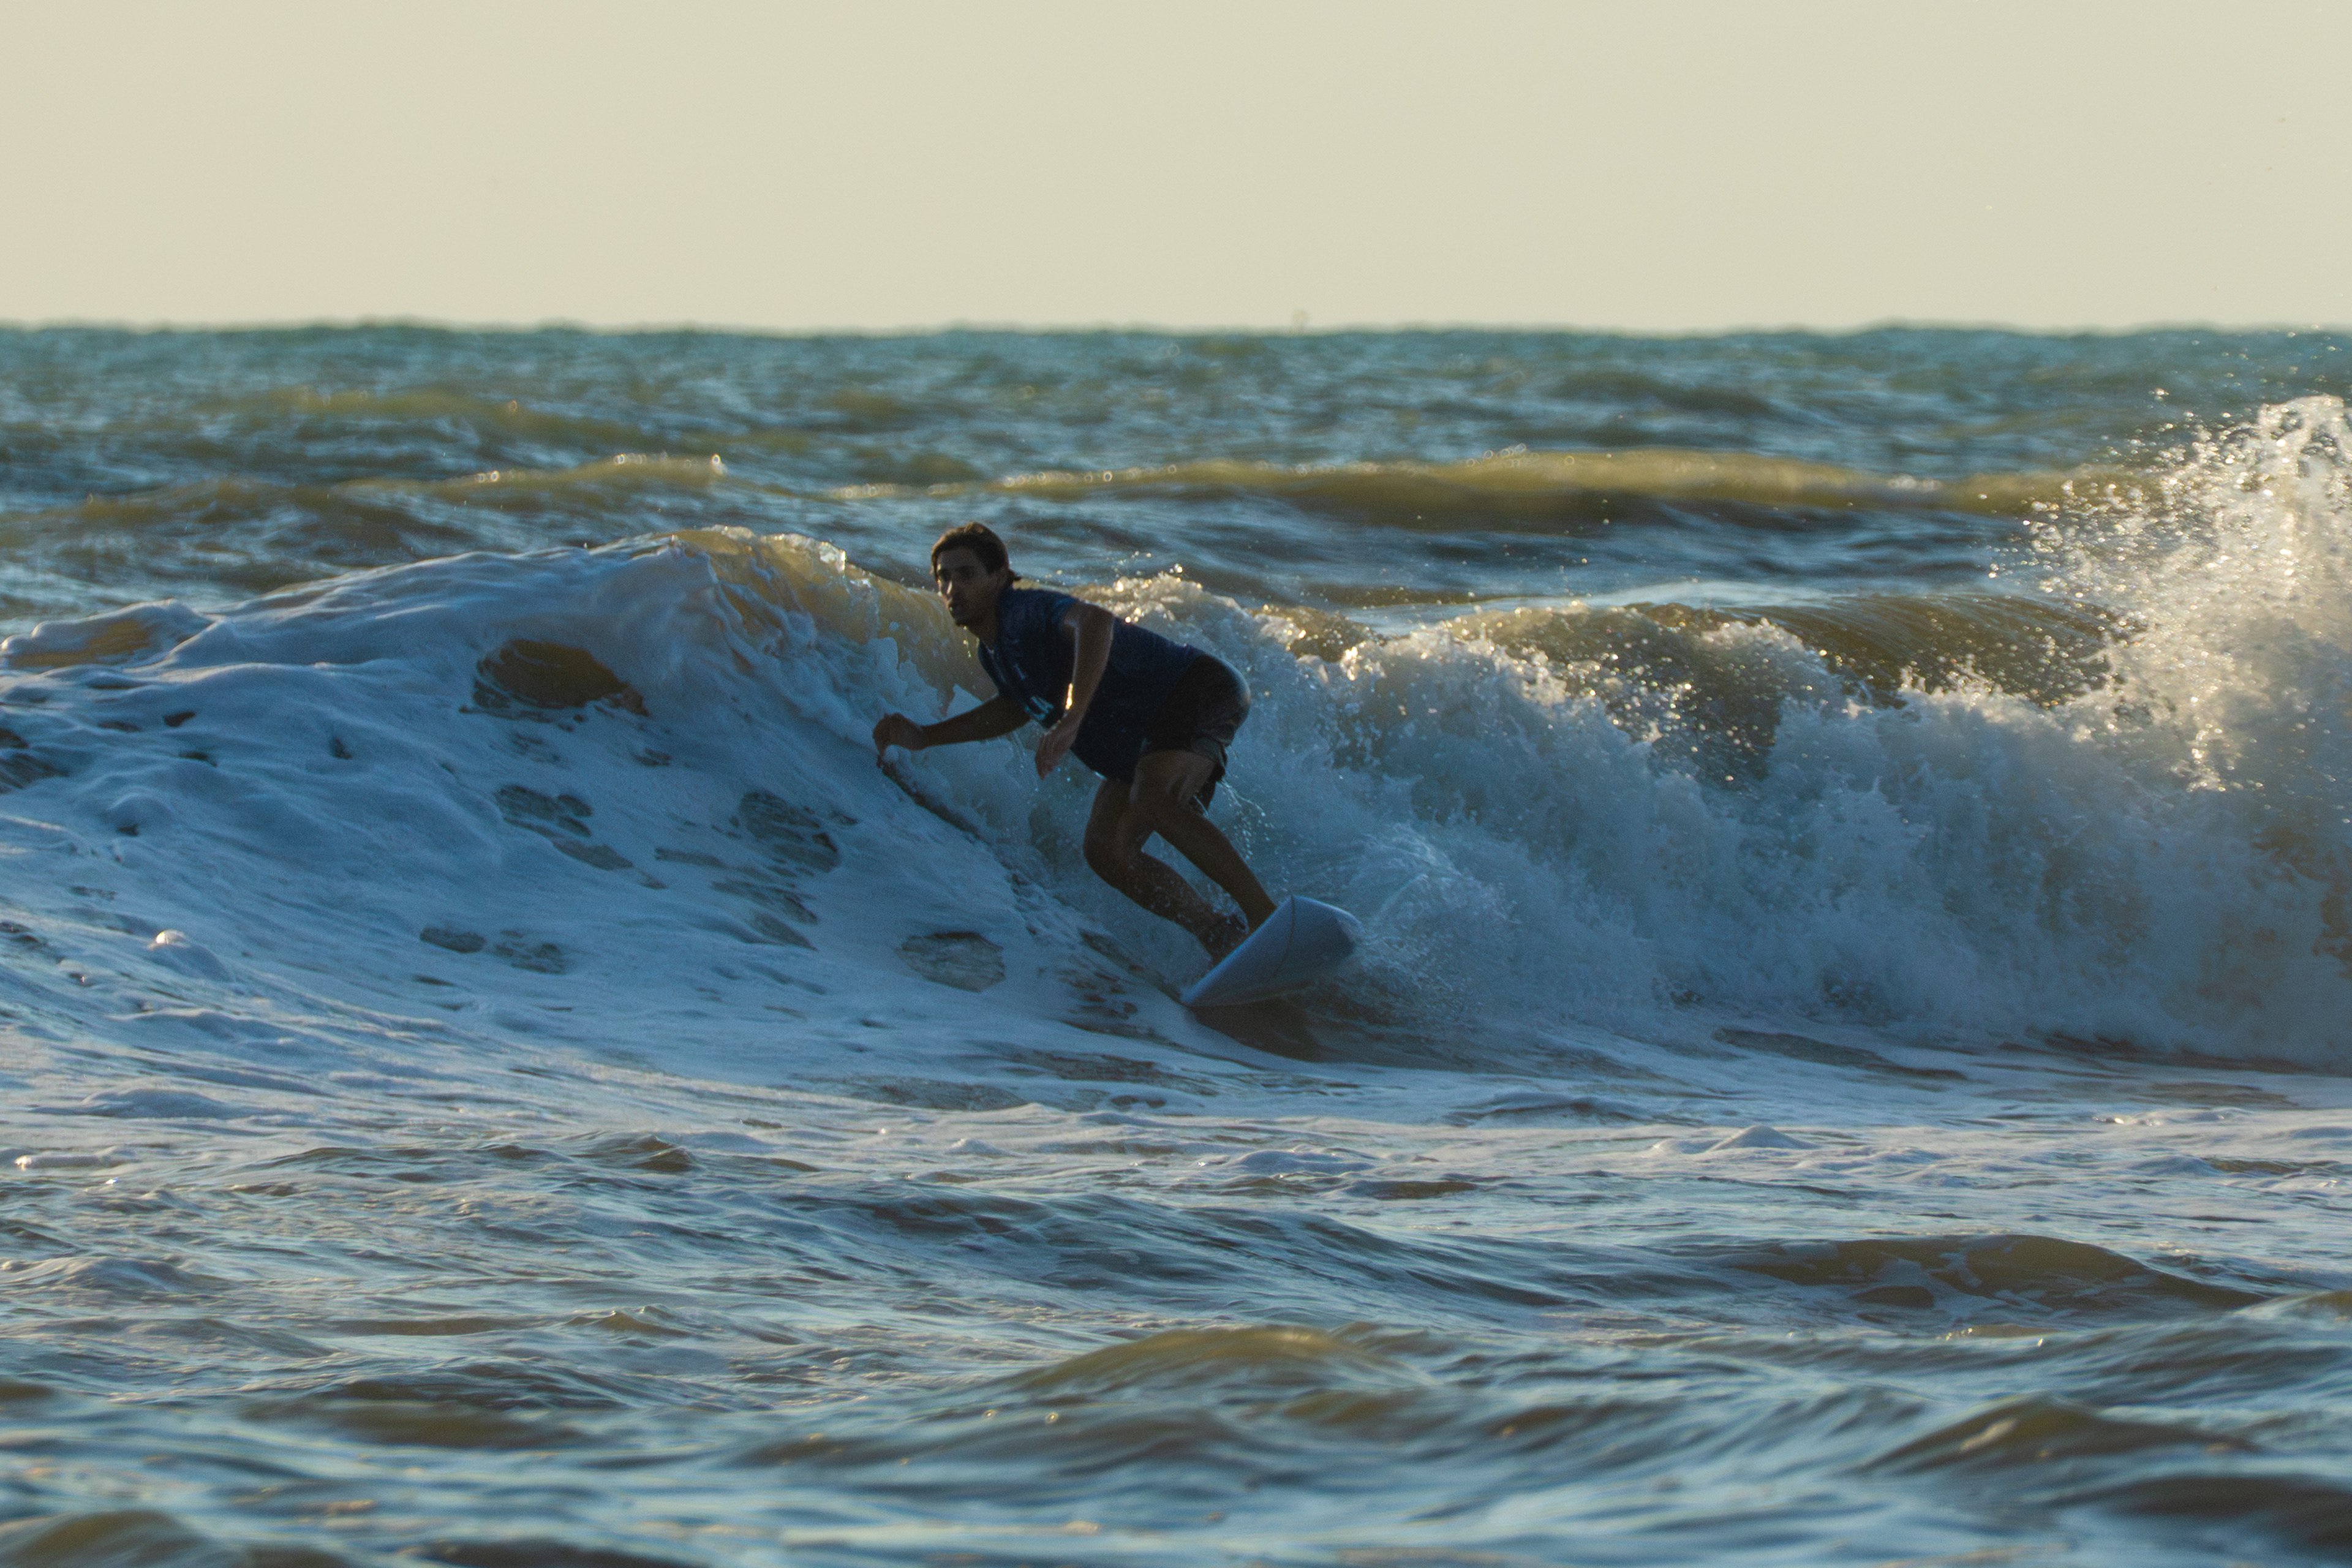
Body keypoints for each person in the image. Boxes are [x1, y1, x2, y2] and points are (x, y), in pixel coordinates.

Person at [872, 522, 1276, 958]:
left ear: (999, 575)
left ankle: (1267, 920)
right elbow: (1014, 707)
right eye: (943, 578)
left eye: (967, 574)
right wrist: (925, 737)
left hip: (1195, 689)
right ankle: (1220, 935)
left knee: (1154, 800)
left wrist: (1074, 714)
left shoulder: (1024, 611)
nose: (953, 589)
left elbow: (1094, 621)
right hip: (1147, 738)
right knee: (1106, 851)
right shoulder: (994, 653)